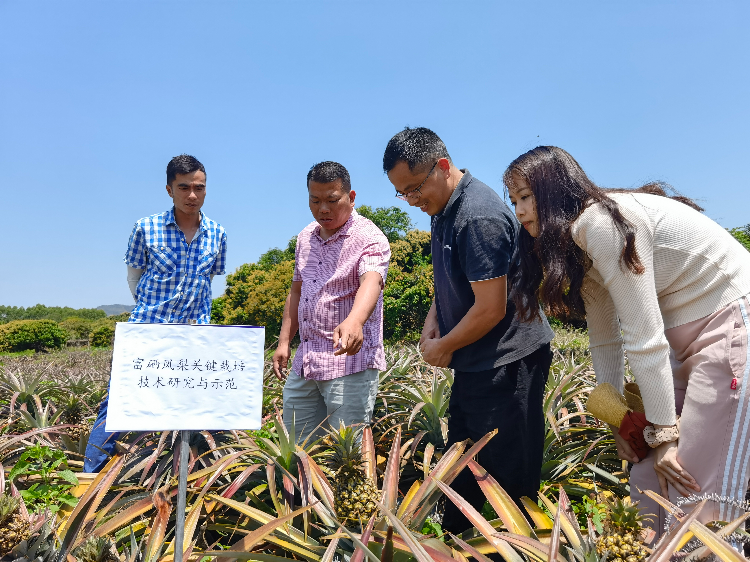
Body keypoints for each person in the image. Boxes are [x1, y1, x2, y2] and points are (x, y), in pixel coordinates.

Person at [504, 145, 750, 531]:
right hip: (684, 345)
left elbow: (643, 334)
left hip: (732, 327)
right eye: (514, 200)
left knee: (699, 484)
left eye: (525, 197)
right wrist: (619, 423)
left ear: (554, 191)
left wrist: (666, 433)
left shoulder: (601, 223)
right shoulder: (578, 244)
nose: (518, 212)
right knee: (648, 472)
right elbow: (605, 340)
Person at [383, 127, 554, 534]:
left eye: (414, 188)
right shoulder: (444, 211)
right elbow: (450, 285)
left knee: (509, 480)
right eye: (401, 192)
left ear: (442, 167)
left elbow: (491, 309)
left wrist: (443, 347)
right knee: (462, 465)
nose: (410, 200)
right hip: (478, 362)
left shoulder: (477, 215)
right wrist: (432, 326)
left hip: (508, 362)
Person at [84, 154, 227, 473]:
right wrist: (154, 315)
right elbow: (133, 276)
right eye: (184, 187)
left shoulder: (218, 234)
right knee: (117, 408)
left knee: (203, 410)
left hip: (194, 338)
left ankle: (201, 478)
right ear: (169, 189)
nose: (192, 195)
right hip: (147, 335)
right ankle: (90, 484)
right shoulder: (145, 228)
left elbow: (209, 281)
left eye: (199, 188)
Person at [272, 161, 391, 444]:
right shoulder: (305, 238)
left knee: (347, 453)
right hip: (307, 360)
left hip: (349, 363)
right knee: (297, 446)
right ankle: (303, 491)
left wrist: (355, 319)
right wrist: (284, 341)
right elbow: (296, 291)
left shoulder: (370, 237)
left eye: (331, 200)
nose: (323, 209)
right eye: (315, 200)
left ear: (350, 198)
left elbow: (371, 280)